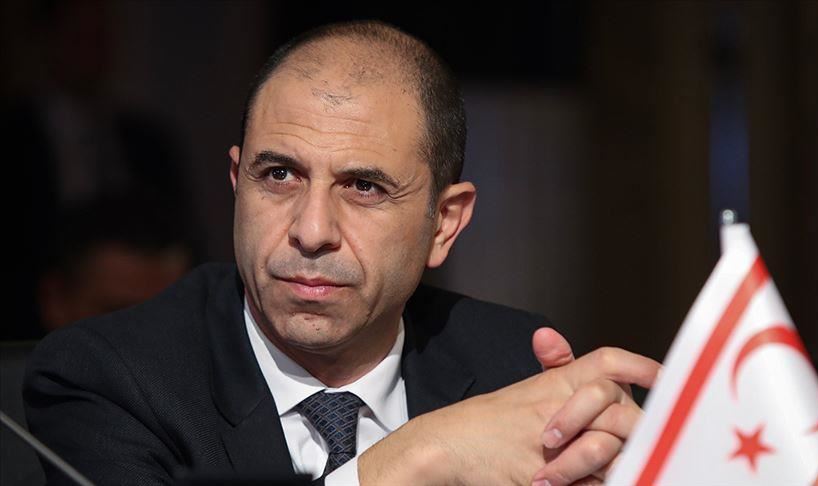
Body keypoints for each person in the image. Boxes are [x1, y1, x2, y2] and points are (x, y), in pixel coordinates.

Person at [24, 20, 660, 485]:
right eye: (279, 175)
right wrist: (418, 457)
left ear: (444, 224)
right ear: (237, 183)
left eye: (363, 187)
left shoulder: (516, 369)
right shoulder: (110, 378)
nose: (311, 230)